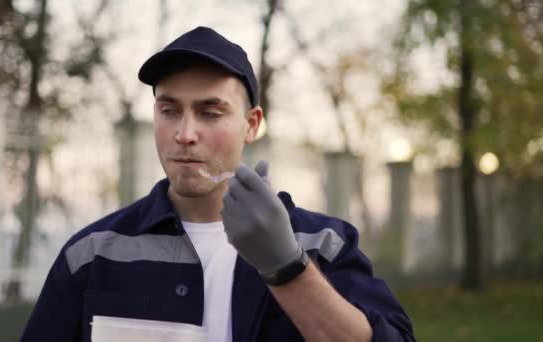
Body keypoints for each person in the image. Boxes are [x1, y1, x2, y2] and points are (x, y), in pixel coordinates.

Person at [21, 26, 415, 342]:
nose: (185, 133)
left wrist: (288, 267)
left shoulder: (323, 245)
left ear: (252, 124)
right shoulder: (94, 255)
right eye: (169, 110)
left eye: (210, 112)